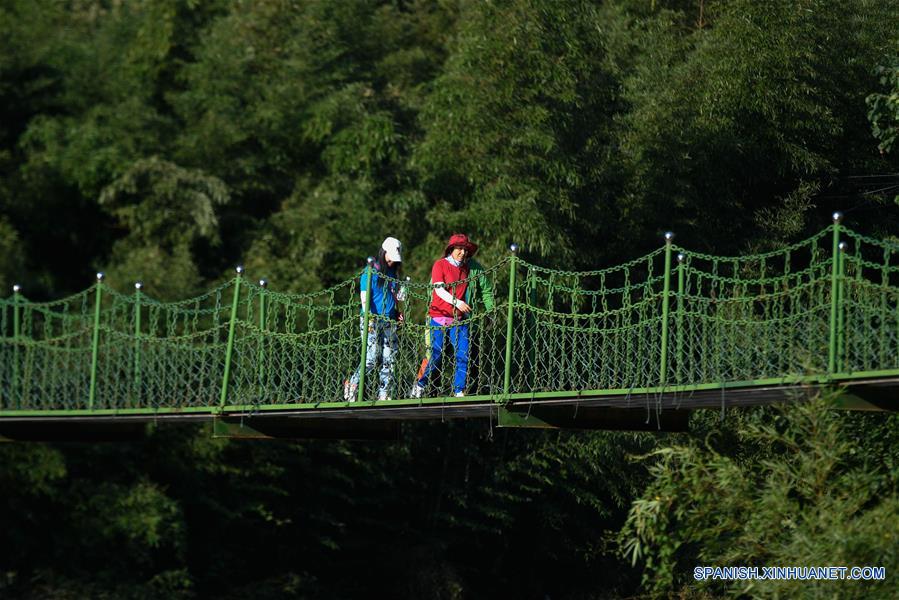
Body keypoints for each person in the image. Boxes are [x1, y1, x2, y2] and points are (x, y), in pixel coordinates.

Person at [410, 233, 494, 398]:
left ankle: (458, 390)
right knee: (435, 354)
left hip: (459, 319)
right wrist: (457, 302)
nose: (462, 252)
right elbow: (438, 289)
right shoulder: (440, 265)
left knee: (463, 353)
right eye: (459, 249)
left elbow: (485, 291)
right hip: (438, 317)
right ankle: (421, 385)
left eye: (465, 249)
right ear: (451, 249)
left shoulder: (468, 269)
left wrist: (489, 311)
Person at [344, 237, 404, 401]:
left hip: (390, 321)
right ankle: (353, 384)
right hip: (372, 319)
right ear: (383, 253)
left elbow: (394, 296)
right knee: (371, 356)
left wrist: (397, 312)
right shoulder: (371, 270)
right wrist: (370, 318)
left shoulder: (394, 272)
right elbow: (365, 298)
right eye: (390, 257)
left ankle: (384, 393)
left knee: (389, 357)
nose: (392, 261)